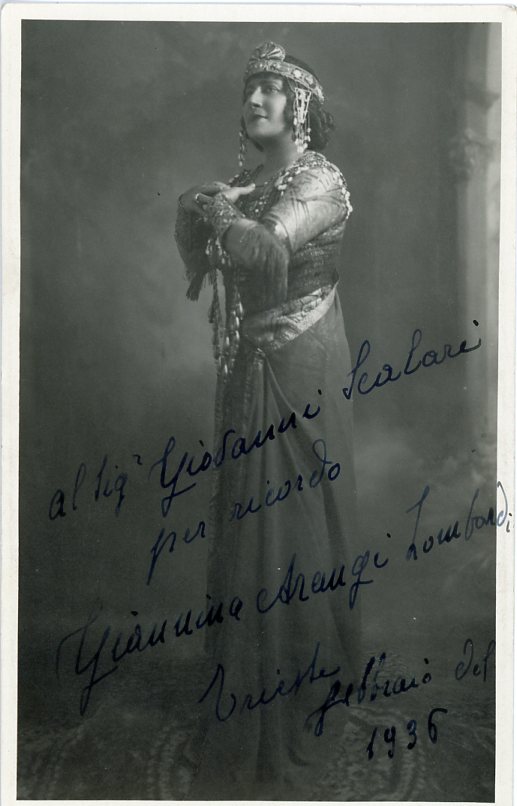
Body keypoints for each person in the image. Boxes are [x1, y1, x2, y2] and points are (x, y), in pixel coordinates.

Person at [174, 41, 360, 799]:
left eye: (271, 90)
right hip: (250, 363)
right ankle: (248, 685)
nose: (254, 101)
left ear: (301, 106)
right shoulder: (254, 183)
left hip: (299, 365)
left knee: (290, 524)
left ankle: (296, 694)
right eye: (249, 89)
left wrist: (213, 207)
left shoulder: (319, 181)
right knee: (250, 524)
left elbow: (258, 251)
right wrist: (204, 206)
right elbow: (202, 241)